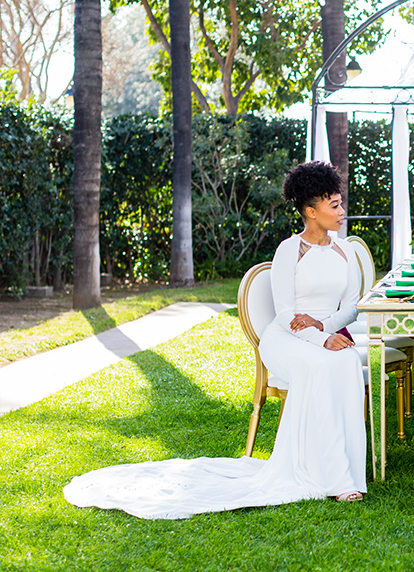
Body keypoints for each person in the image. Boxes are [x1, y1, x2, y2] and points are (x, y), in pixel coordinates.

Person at [64, 161, 367, 519]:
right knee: (319, 364)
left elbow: (352, 306)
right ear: (311, 211)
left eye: (340, 202)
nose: (342, 211)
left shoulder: (344, 250)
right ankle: (334, 479)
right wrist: (318, 339)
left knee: (346, 361)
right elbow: (285, 315)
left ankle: (349, 472)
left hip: (321, 331)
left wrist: (324, 327)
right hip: (285, 339)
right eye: (334, 205)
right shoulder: (289, 250)